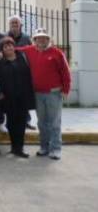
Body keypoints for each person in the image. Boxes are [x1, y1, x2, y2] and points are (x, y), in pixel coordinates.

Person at [17, 28, 71, 160]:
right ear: (34, 40)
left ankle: (55, 149)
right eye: (38, 38)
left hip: (54, 93)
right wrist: (1, 53)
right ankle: (44, 147)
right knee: (42, 122)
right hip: (37, 93)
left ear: (48, 39)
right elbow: (15, 50)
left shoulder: (57, 53)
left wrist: (66, 89)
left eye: (44, 38)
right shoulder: (30, 50)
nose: (41, 40)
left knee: (54, 122)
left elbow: (66, 72)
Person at [0, 37, 35, 158]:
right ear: (2, 49)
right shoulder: (0, 62)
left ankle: (20, 147)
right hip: (8, 98)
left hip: (23, 96)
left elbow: (29, 77)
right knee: (11, 123)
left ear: (14, 47)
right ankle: (14, 147)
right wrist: (0, 92)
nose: (8, 48)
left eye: (10, 45)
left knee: (21, 123)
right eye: (5, 46)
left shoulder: (23, 58)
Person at [6, 15, 36, 130]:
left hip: (23, 71)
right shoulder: (5, 37)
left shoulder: (26, 38)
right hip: (9, 71)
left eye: (16, 23)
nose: (14, 25)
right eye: (12, 23)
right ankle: (10, 122)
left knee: (24, 98)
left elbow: (31, 52)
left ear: (20, 25)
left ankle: (26, 121)